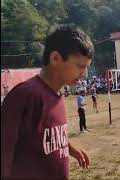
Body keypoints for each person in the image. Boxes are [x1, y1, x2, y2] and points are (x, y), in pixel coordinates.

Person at [1, 25, 93, 179]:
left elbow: (47, 136)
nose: (85, 74)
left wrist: (70, 148)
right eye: (80, 66)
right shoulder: (24, 96)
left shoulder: (57, 94)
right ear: (55, 58)